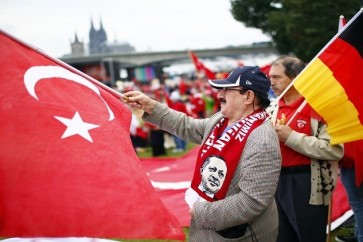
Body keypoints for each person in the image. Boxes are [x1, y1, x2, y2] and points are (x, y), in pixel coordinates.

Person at [122, 66, 282, 242]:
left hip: (239, 235)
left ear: (248, 96)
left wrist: (199, 211)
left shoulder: (262, 139)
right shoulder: (221, 119)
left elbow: (252, 202)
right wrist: (151, 106)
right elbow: (187, 126)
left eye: (227, 90)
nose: (220, 95)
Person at [268, 55, 344, 242]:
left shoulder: (318, 107)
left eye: (277, 77)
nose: (271, 82)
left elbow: (334, 149)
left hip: (306, 182)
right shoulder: (272, 108)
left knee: (308, 236)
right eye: (270, 77)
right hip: (276, 182)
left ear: (296, 77)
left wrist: (291, 137)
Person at [335, 142, 363, 242]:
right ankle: (358, 233)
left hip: (353, 162)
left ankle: (360, 237)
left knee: (358, 205)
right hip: (354, 160)